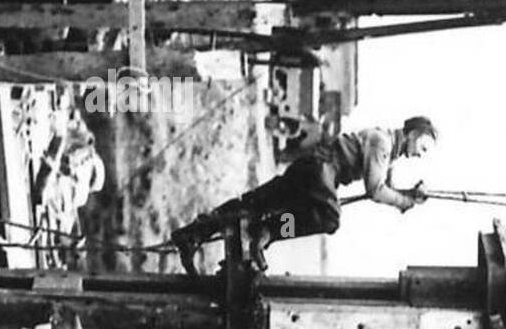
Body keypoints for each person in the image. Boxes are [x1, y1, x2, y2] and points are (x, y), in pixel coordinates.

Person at [170, 116, 438, 274]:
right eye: (422, 147)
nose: (419, 154)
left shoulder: (387, 150)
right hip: (323, 171)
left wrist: (410, 195)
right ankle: (267, 232)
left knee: (257, 203)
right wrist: (404, 202)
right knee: (328, 218)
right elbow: (376, 190)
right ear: (413, 133)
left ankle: (191, 234)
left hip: (312, 168)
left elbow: (384, 185)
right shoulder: (382, 144)